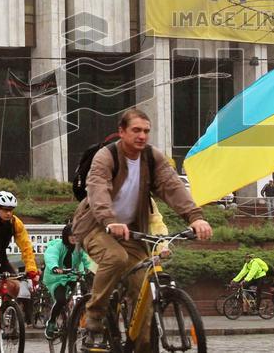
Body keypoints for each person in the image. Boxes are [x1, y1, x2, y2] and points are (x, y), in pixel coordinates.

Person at [71, 107, 213, 351]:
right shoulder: (106, 157)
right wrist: (109, 220)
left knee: (144, 287)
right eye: (136, 130)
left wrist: (195, 217)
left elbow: (172, 186)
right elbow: (98, 190)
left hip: (131, 232)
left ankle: (141, 344)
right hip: (96, 226)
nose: (142, 136)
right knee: (115, 258)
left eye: (146, 131)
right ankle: (94, 319)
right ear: (122, 132)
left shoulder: (151, 157)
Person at [0, 191, 40, 333]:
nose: (9, 213)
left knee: (15, 285)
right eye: (5, 210)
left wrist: (31, 269)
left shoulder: (16, 223)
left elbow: (26, 247)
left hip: (1, 258)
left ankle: (5, 308)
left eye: (11, 210)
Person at [42, 223, 93, 339]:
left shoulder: (79, 248)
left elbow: (87, 260)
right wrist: (55, 267)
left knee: (86, 295)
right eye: (71, 236)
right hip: (56, 278)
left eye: (76, 235)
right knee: (61, 299)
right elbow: (51, 256)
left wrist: (94, 269)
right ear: (66, 236)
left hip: (73, 276)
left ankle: (79, 318)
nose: (74, 238)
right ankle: (52, 322)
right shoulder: (57, 246)